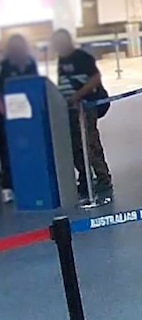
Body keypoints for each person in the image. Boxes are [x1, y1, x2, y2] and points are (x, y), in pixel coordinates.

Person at [52, 29, 113, 203]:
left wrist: (78, 95)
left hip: (85, 107)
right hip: (69, 109)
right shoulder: (62, 60)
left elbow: (95, 78)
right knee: (75, 145)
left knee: (90, 142)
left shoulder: (82, 58)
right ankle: (85, 177)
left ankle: (103, 177)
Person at [0, 35, 38, 204]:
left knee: (27, 150)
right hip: (6, 115)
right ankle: (8, 187)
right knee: (7, 152)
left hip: (26, 116)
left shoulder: (30, 63)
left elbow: (36, 84)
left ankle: (28, 182)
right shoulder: (4, 68)